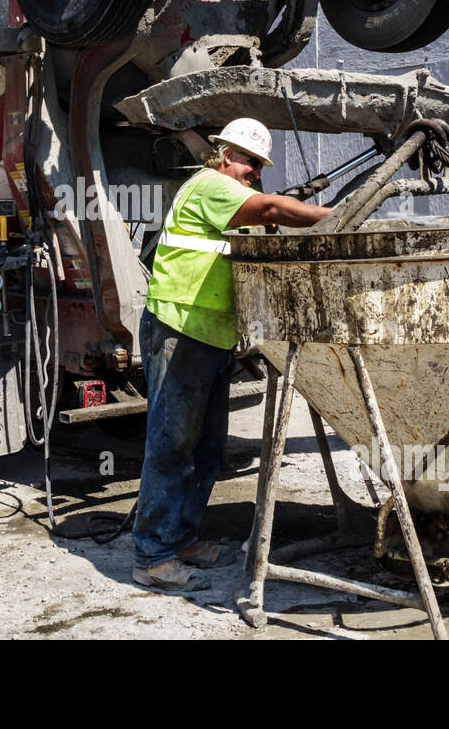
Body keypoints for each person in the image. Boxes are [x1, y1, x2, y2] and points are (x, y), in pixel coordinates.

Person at [133, 118, 331, 591]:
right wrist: (332, 217)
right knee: (172, 443)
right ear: (224, 155)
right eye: (248, 162)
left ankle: (181, 539)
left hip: (213, 334)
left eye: (258, 167)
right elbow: (266, 209)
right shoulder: (211, 185)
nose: (253, 173)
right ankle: (153, 556)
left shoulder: (224, 192)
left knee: (206, 448)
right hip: (180, 329)